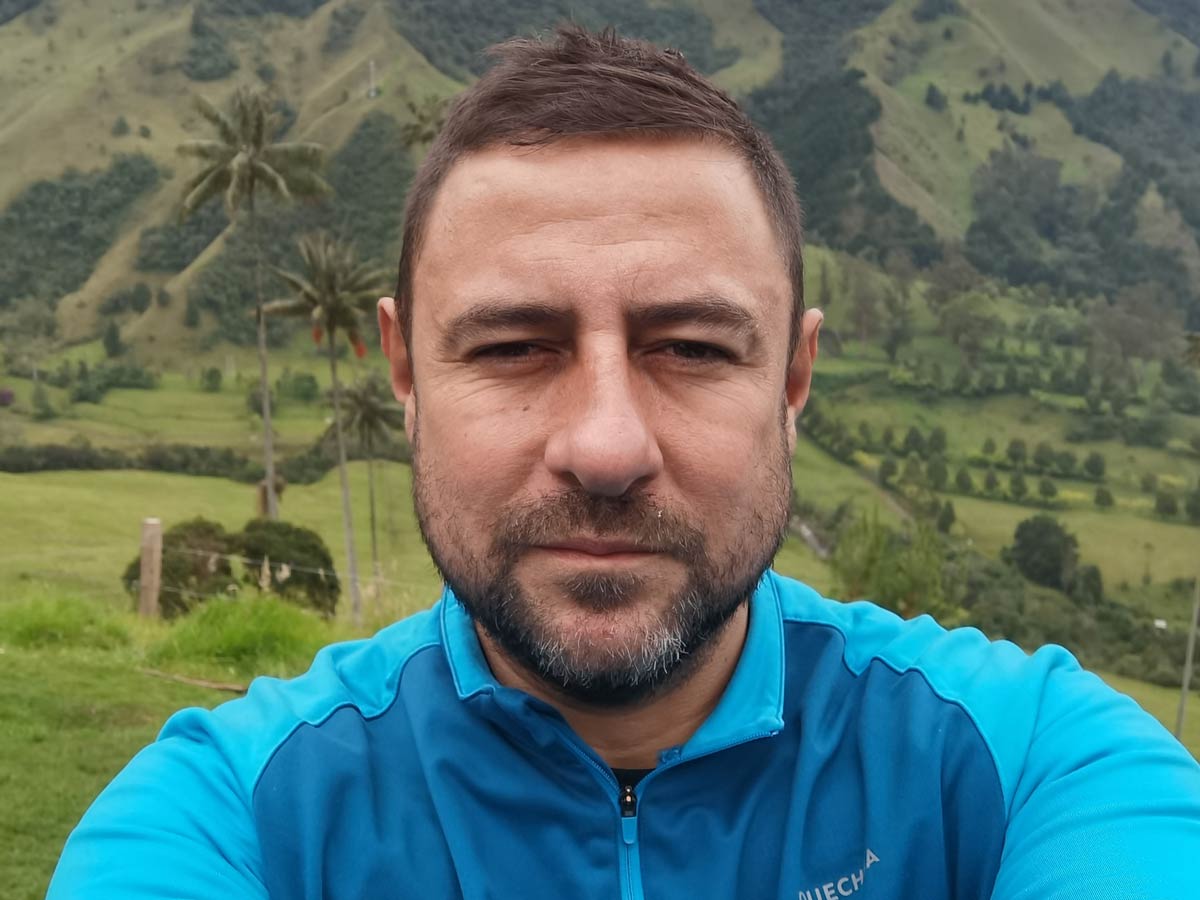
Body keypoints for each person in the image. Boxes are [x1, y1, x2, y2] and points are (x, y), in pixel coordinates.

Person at [49, 25, 1200, 900]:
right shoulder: (226, 819)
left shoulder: (1029, 761)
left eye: (693, 348)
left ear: (793, 381)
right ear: (403, 372)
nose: (605, 446)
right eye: (512, 347)